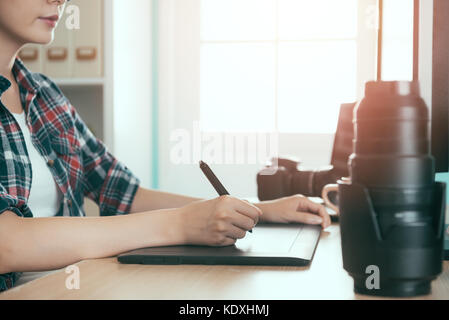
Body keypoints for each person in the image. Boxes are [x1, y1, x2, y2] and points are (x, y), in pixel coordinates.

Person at [0, 0, 331, 291]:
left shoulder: (44, 94)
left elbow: (124, 194)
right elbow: (7, 244)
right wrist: (181, 224)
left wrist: (259, 210)